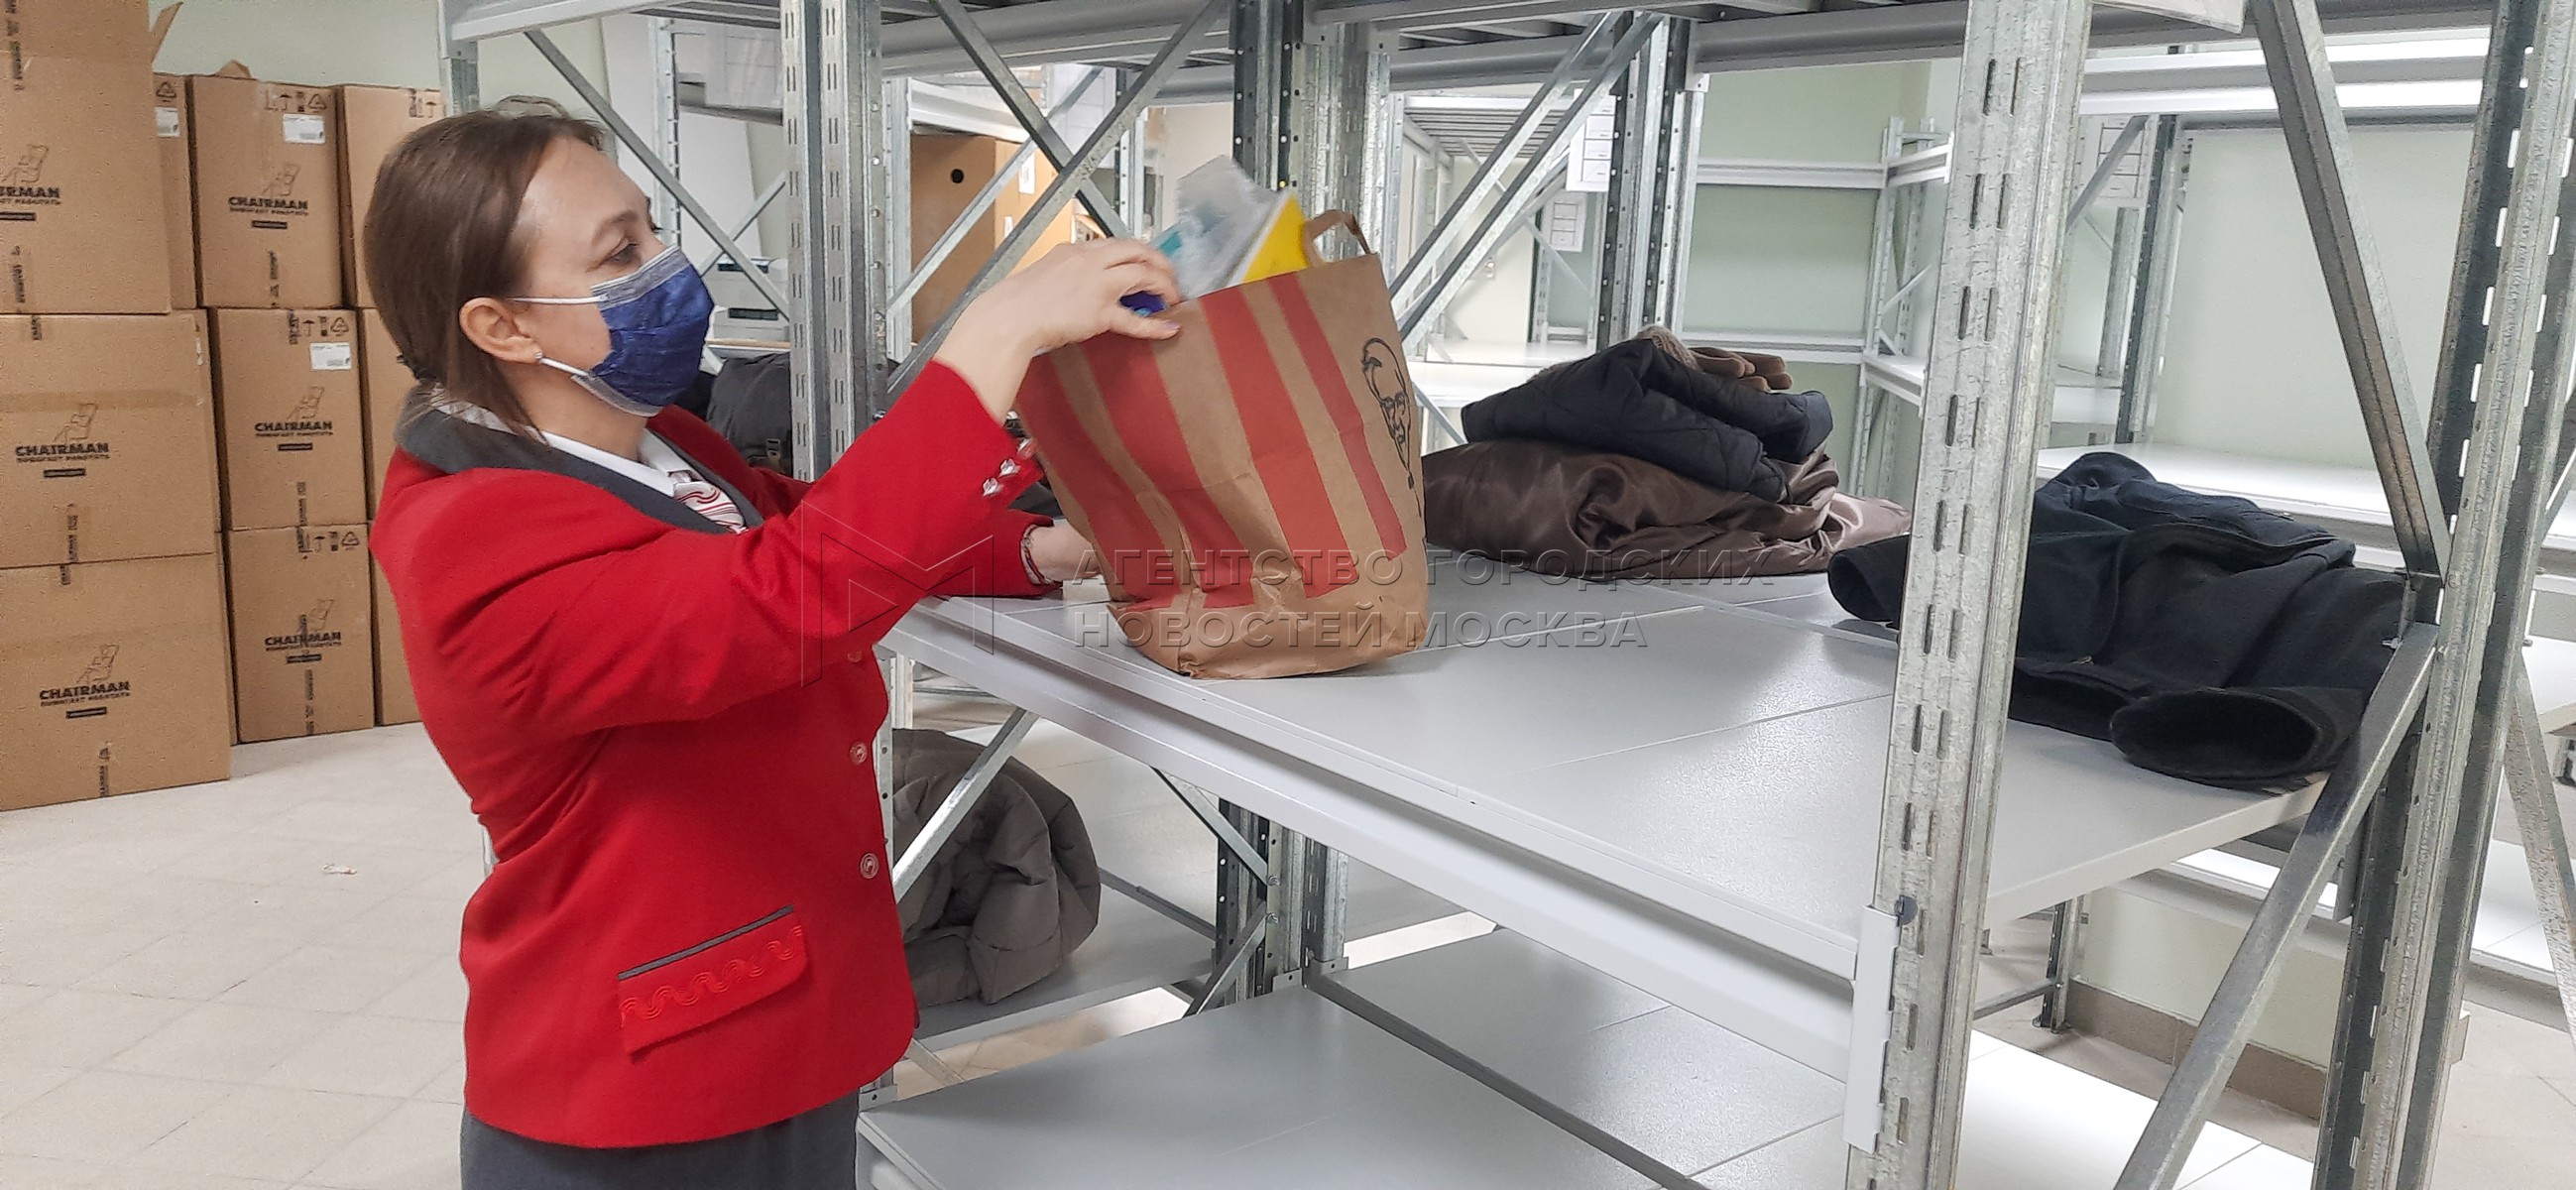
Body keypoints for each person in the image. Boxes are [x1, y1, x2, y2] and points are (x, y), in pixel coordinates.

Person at [362, 109, 1181, 1189]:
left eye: (652, 230)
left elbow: (803, 526)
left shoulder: (656, 441)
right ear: (502, 327)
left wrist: (1040, 550)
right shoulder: (471, 543)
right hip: (656, 1080)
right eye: (619, 254)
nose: (668, 267)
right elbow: (783, 595)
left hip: (787, 1025)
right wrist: (992, 342)